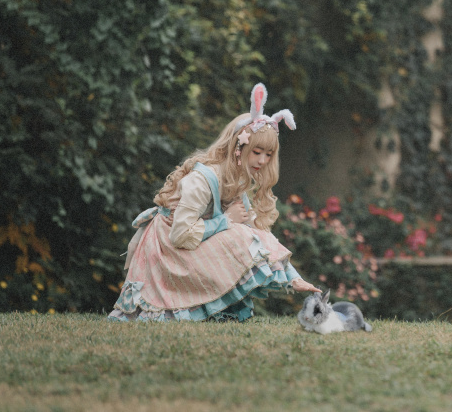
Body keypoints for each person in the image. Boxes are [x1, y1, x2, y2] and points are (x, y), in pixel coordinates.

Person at [109, 83, 321, 322]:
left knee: (244, 232)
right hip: (167, 247)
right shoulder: (203, 179)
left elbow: (257, 233)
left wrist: (292, 277)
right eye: (257, 152)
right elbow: (179, 235)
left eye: (268, 155)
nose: (262, 161)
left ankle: (216, 311)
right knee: (238, 234)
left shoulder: (236, 179)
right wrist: (226, 220)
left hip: (191, 243)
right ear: (239, 147)